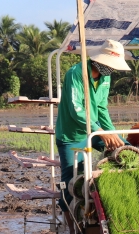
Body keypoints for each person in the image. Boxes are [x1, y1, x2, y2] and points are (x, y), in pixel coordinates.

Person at [55, 39, 129, 223]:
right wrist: (100, 132)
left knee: (125, 151)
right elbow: (76, 109)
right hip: (73, 135)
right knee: (74, 181)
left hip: (95, 129)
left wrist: (112, 134)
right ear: (98, 60)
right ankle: (74, 232)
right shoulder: (76, 73)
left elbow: (102, 108)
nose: (111, 70)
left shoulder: (106, 77)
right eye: (109, 65)